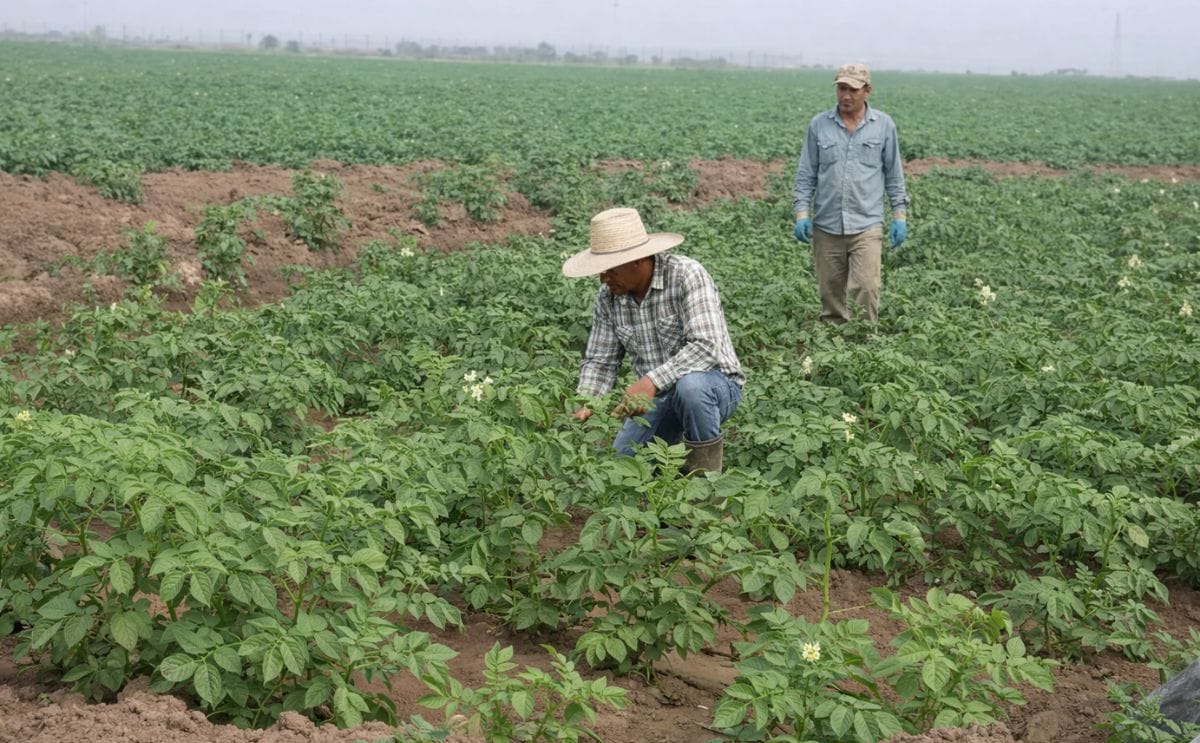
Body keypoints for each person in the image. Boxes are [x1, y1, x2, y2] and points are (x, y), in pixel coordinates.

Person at [562, 207, 744, 474]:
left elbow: (706, 347)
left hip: (715, 385)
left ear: (638, 260)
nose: (603, 278)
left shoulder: (686, 275)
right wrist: (586, 402)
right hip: (657, 398)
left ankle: (707, 492)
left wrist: (650, 381)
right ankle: (666, 487)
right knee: (620, 469)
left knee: (690, 387)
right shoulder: (608, 298)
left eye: (609, 269)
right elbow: (601, 361)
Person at [793, 62, 909, 324]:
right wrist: (801, 213)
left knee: (866, 289)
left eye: (852, 90)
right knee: (831, 295)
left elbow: (894, 174)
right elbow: (805, 174)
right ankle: (835, 350)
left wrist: (899, 216)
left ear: (867, 90)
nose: (845, 95)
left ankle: (864, 348)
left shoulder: (884, 126)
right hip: (826, 225)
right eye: (841, 88)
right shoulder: (819, 125)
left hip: (866, 225)